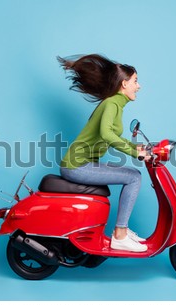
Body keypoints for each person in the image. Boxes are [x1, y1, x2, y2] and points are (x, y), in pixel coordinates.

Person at [58, 54, 150, 252]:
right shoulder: (111, 104)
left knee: (133, 175)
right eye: (135, 81)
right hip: (76, 166)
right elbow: (107, 134)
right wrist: (137, 155)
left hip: (85, 164)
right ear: (124, 84)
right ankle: (120, 234)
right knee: (134, 177)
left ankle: (122, 232)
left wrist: (137, 148)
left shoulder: (115, 104)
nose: (139, 86)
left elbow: (112, 135)